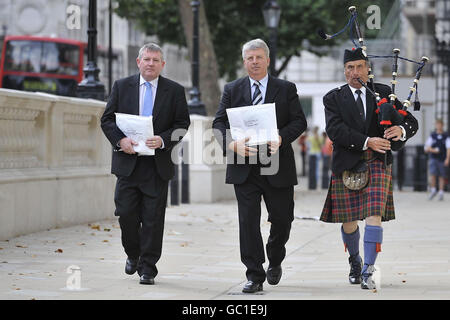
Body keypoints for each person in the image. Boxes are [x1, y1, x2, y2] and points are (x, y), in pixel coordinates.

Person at [212, 39, 307, 293]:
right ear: (244, 62)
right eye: (249, 58)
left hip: (277, 165)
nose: (254, 62)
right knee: (248, 222)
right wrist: (231, 145)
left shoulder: (286, 88)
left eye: (258, 57)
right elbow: (218, 124)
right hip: (244, 167)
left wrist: (281, 138)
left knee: (282, 218)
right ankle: (254, 274)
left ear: (267, 60)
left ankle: (275, 258)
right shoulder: (232, 89)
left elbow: (299, 122)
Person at [320, 48, 418, 290]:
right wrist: (367, 141)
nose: (355, 72)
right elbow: (335, 130)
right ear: (344, 71)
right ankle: (355, 259)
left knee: (374, 214)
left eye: (360, 66)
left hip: (377, 161)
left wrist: (400, 131)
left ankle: (368, 270)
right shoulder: (333, 98)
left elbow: (409, 121)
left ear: (367, 69)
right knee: (349, 220)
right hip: (347, 163)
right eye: (350, 67)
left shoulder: (383, 92)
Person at [101, 43, 190, 285]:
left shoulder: (174, 91)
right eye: (146, 59)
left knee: (153, 218)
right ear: (138, 62)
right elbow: (107, 120)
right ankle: (133, 253)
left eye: (155, 60)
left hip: (156, 166)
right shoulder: (121, 86)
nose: (150, 63)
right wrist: (120, 140)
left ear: (162, 64)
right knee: (126, 214)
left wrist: (163, 140)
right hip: (128, 163)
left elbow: (182, 124)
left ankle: (148, 267)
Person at [424, 119, 450, 201]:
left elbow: (448, 148)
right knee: (433, 175)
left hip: (442, 158)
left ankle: (441, 192)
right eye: (437, 124)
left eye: (440, 124)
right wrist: (433, 150)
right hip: (433, 158)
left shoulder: (446, 136)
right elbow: (426, 148)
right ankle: (433, 190)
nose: (438, 126)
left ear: (442, 125)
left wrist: (447, 158)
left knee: (442, 176)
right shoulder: (433, 135)